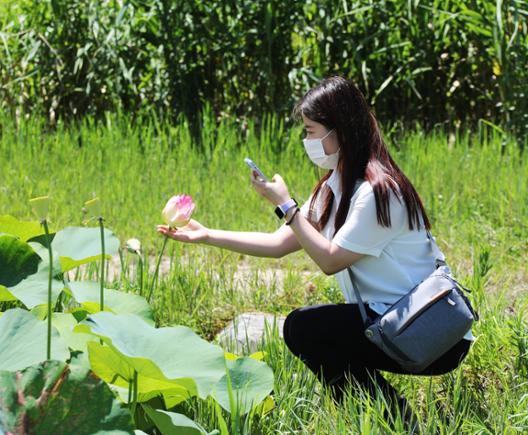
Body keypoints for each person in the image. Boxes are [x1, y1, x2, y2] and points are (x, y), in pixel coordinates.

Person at [156, 76, 473, 424]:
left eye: (310, 130)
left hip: (431, 333)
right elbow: (280, 244)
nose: (306, 140)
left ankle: (396, 421)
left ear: (340, 130)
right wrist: (207, 236)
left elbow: (330, 260)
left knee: (306, 328)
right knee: (311, 331)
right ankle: (389, 420)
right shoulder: (335, 184)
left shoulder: (378, 192)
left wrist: (286, 206)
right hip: (388, 323)